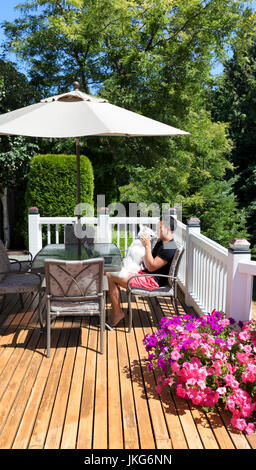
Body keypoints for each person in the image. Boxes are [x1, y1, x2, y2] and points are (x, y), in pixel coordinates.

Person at [106, 214, 177, 327]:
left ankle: (117, 312)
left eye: (160, 227)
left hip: (152, 282)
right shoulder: (161, 242)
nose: (157, 230)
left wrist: (147, 246)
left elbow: (151, 266)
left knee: (110, 274)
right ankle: (116, 311)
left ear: (168, 229)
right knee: (112, 270)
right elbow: (147, 261)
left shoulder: (169, 248)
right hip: (144, 275)